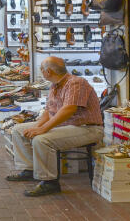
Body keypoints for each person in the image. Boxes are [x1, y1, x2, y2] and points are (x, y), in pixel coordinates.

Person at [6, 57, 103, 197]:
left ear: (48, 71)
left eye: (42, 70)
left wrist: (43, 129)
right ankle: (29, 169)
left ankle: (49, 182)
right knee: (18, 130)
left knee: (42, 139)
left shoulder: (76, 83)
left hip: (88, 128)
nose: (41, 73)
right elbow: (49, 111)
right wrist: (38, 126)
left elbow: (68, 110)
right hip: (68, 126)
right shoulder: (55, 85)